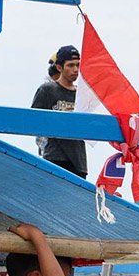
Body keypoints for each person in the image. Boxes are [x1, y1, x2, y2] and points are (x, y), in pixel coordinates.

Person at [31, 45, 87, 178]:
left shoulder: (82, 94)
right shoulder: (47, 90)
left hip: (78, 161)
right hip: (54, 157)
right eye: (70, 65)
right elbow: (33, 121)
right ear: (59, 67)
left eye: (78, 65)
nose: (75, 70)